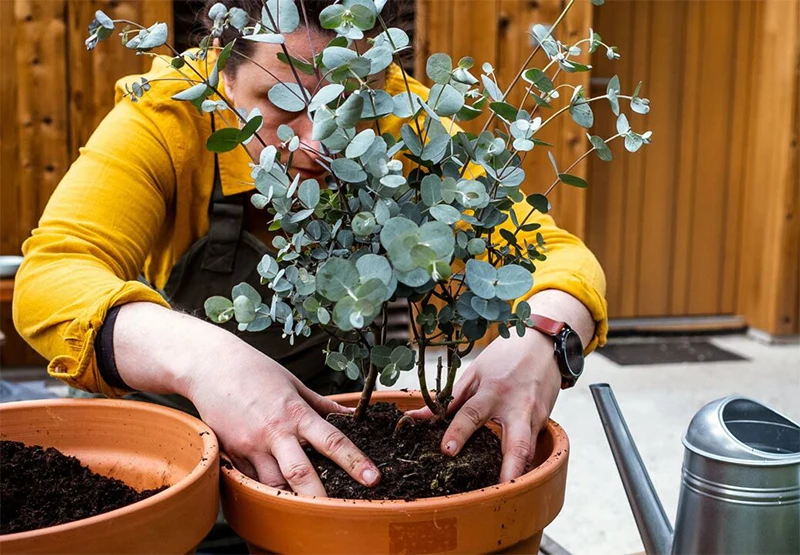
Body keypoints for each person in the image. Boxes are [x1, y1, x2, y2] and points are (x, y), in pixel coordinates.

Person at [13, 0, 608, 497]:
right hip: (175, 455)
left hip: (338, 445)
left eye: (345, 111)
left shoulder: (409, 122)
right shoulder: (170, 112)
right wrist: (206, 359)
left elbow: (554, 253)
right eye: (283, 110)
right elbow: (55, 275)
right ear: (222, 76)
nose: (315, 146)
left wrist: (544, 337)